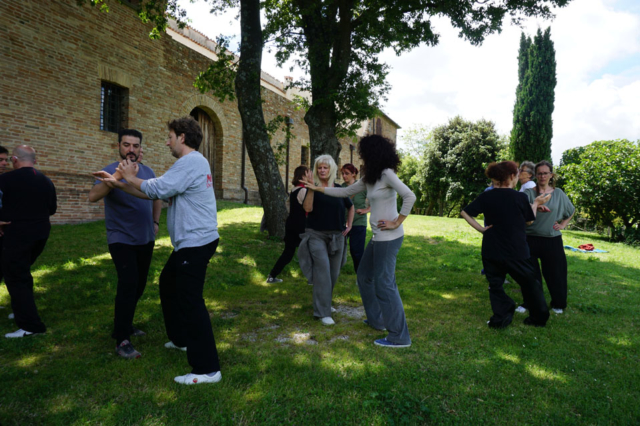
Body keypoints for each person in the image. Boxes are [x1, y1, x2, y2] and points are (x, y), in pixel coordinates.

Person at [94, 116, 222, 385]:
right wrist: (122, 184)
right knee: (167, 284)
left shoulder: (191, 162)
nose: (167, 141)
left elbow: (158, 187)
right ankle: (180, 340)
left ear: (182, 138)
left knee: (191, 301)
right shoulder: (190, 163)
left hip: (196, 242)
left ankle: (207, 369)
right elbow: (157, 193)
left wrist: (128, 176)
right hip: (191, 242)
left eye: (170, 136)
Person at [302, 135, 416, 347]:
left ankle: (400, 336)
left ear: (374, 153)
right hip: (377, 238)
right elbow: (344, 191)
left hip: (389, 239)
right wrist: (316, 188)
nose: (362, 157)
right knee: (364, 276)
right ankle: (377, 321)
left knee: (385, 284)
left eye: (364, 153)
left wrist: (397, 222)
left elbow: (410, 196)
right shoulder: (371, 177)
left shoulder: (386, 174)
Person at [89, 129, 162, 359]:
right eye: (126, 144)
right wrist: (118, 177)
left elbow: (157, 196)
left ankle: (125, 324)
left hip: (145, 237)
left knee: (139, 285)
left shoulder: (149, 171)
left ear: (141, 148)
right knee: (128, 283)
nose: (131, 149)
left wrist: (155, 221)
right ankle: (122, 340)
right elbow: (93, 196)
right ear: (119, 146)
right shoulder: (110, 169)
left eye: (135, 145)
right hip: (120, 237)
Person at [461, 161, 551, 329]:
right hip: (516, 249)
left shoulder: (486, 196)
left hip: (491, 248)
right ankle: (538, 318)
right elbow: (529, 221)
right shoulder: (520, 197)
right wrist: (536, 203)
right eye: (517, 175)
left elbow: (465, 212)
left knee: (495, 285)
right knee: (530, 283)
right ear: (511, 177)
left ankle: (501, 318)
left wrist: (481, 229)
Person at [1, 145, 57, 338]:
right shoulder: (46, 181)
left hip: (16, 235)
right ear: (35, 160)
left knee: (16, 277)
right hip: (40, 235)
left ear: (15, 159)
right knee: (22, 273)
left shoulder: (4, 180)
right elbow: (52, 209)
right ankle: (21, 311)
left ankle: (31, 326)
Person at [298, 155, 354, 326]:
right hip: (316, 235)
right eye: (319, 167)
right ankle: (323, 313)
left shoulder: (338, 189)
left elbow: (350, 206)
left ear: (331, 170)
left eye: (325, 168)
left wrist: (349, 225)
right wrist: (312, 189)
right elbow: (307, 208)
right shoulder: (312, 188)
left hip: (337, 236)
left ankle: (325, 303)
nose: (322, 170)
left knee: (333, 273)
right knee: (322, 271)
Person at [519, 160, 575, 315]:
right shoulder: (528, 193)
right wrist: (535, 205)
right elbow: (520, 212)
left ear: (551, 175)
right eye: (539, 173)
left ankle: (558, 304)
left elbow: (571, 210)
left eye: (545, 173)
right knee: (529, 275)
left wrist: (563, 224)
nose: (542, 176)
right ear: (535, 175)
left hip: (552, 239)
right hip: (529, 239)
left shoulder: (559, 194)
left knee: (556, 273)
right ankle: (529, 303)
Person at [266, 166, 312, 284]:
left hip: (291, 224)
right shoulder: (303, 190)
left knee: (288, 253)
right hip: (300, 226)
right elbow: (309, 208)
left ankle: (272, 275)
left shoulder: (294, 189)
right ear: (303, 176)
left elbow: (288, 207)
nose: (310, 176)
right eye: (308, 174)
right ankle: (312, 278)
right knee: (311, 251)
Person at [341, 164, 369, 273]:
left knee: (356, 250)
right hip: (343, 223)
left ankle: (360, 275)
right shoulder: (340, 187)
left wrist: (366, 210)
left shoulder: (362, 187)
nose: (344, 176)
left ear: (354, 174)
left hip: (358, 223)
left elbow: (375, 199)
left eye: (347, 173)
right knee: (337, 250)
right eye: (342, 173)